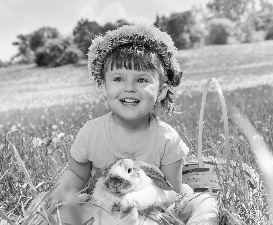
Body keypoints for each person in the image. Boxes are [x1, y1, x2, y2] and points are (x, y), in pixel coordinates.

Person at [42, 24, 218, 225]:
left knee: (204, 202)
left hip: (151, 210)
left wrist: (139, 203)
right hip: (103, 206)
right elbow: (75, 174)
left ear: (160, 92)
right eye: (118, 78)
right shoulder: (91, 132)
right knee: (52, 209)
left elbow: (171, 192)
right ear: (103, 86)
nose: (129, 88)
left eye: (142, 79)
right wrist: (59, 194)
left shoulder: (167, 139)